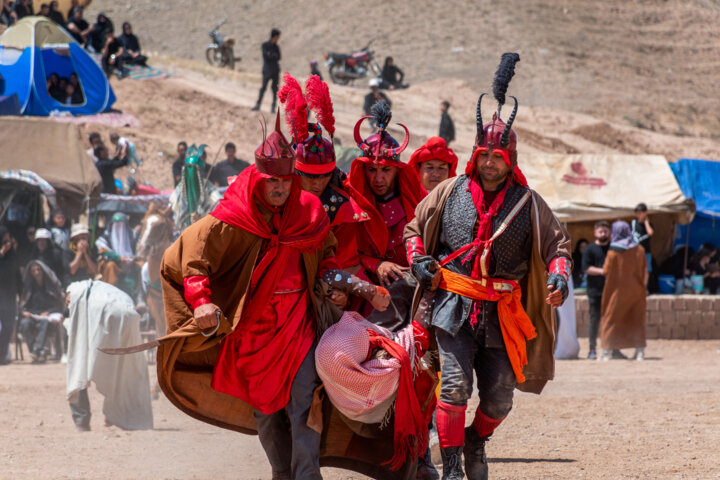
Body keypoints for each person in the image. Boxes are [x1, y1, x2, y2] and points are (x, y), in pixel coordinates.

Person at [404, 53, 571, 480]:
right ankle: (455, 469)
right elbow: (412, 231)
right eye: (485, 154)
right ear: (475, 155)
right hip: (453, 306)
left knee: (499, 398)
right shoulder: (447, 191)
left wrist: (559, 275)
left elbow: (559, 247)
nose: (491, 161)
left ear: (510, 159)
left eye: (499, 155)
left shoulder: (530, 203)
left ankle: (476, 441)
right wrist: (419, 260)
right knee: (455, 387)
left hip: (503, 312)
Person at [157, 114, 342, 480]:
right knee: (266, 411)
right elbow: (194, 257)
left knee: (305, 400)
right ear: (258, 177)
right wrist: (202, 301)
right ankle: (281, 472)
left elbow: (327, 251)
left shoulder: (309, 210)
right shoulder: (233, 215)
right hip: (253, 327)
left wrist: (333, 280)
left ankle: (307, 475)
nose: (279, 187)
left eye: (285, 180)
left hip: (299, 323)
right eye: (271, 179)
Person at [279, 73, 369, 277]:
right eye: (310, 177)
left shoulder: (341, 208)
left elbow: (347, 262)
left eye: (324, 176)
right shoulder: (276, 195)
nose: (318, 183)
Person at [65, 280, 153, 431]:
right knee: (124, 368)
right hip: (130, 315)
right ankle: (117, 416)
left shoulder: (75, 291)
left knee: (78, 364)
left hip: (104, 312)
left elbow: (79, 352)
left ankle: (82, 421)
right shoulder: (105, 289)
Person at [599, 221, 648, 361]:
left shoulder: (613, 252)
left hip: (617, 291)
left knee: (610, 319)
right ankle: (640, 352)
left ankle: (606, 351)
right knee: (637, 319)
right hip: (637, 290)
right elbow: (644, 271)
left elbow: (606, 271)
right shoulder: (640, 250)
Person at [18, 260, 65, 363]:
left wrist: (48, 312)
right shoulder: (30, 288)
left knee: (44, 322)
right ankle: (35, 351)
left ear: (43, 271)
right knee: (25, 323)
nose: (36, 272)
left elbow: (59, 306)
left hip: (48, 317)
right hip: (33, 316)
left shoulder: (51, 288)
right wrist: (25, 312)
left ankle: (37, 350)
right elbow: (23, 305)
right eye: (33, 270)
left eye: (38, 269)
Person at [581, 222, 610, 360]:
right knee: (594, 320)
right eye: (600, 231)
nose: (603, 234)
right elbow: (586, 268)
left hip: (610, 291)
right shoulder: (590, 249)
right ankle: (592, 350)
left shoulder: (613, 249)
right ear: (595, 233)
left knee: (611, 320)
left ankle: (612, 349)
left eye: (605, 231)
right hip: (594, 291)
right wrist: (603, 271)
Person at [0, 226, 21, 365]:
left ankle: (2, 354)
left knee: (8, 326)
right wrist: (1, 253)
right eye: (5, 237)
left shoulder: (12, 255)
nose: (7, 240)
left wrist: (21, 291)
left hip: (10, 296)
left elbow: (17, 274)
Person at [251, 28, 281, 113]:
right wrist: (272, 55)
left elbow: (278, 57)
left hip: (275, 71)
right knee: (263, 88)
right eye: (277, 37)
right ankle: (258, 104)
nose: (278, 39)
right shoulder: (265, 45)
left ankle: (273, 108)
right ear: (274, 37)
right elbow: (266, 57)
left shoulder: (276, 47)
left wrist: (271, 55)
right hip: (267, 70)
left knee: (275, 90)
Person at [631, 203, 654, 274]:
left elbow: (650, 233)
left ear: (645, 213)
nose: (638, 215)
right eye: (637, 213)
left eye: (640, 213)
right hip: (634, 251)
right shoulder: (633, 223)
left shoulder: (650, 225)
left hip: (645, 252)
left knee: (646, 271)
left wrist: (646, 222)